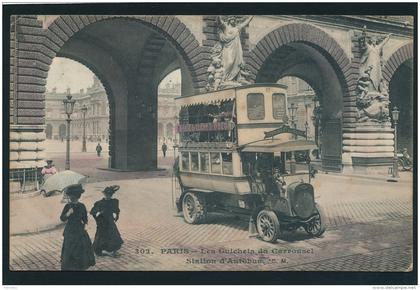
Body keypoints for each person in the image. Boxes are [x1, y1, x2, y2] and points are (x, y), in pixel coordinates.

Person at [59, 184, 95, 271]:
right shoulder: (68, 206)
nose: (71, 197)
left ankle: (80, 265)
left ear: (77, 196)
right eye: (70, 195)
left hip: (79, 230)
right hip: (70, 230)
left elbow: (85, 219)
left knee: (81, 248)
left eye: (73, 196)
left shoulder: (82, 206)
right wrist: (68, 213)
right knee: (69, 248)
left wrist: (85, 224)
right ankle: (69, 266)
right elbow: (62, 218)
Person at [90, 185, 123, 257]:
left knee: (114, 235)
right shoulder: (99, 203)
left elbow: (116, 210)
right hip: (102, 222)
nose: (108, 196)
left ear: (112, 194)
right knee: (101, 236)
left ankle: (113, 251)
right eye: (107, 194)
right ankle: (98, 250)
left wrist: (117, 216)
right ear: (104, 194)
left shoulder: (114, 201)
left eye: (110, 194)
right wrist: (97, 218)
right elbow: (92, 212)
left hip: (110, 221)